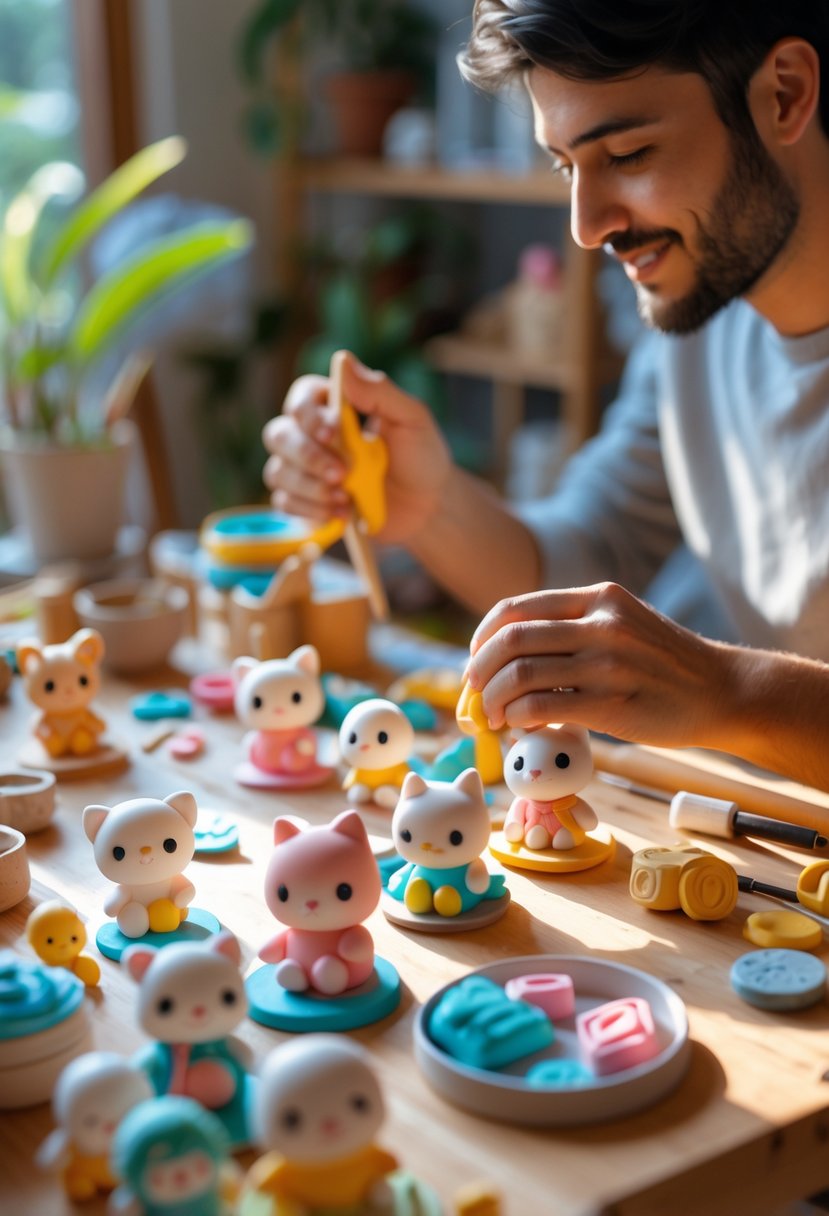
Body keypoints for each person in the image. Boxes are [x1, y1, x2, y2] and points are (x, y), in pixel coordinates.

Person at [262, 0, 829, 792]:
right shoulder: (701, 316)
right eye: (566, 166)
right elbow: (587, 549)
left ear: (784, 95)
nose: (586, 226)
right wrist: (428, 505)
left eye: (627, 153)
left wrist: (730, 693)